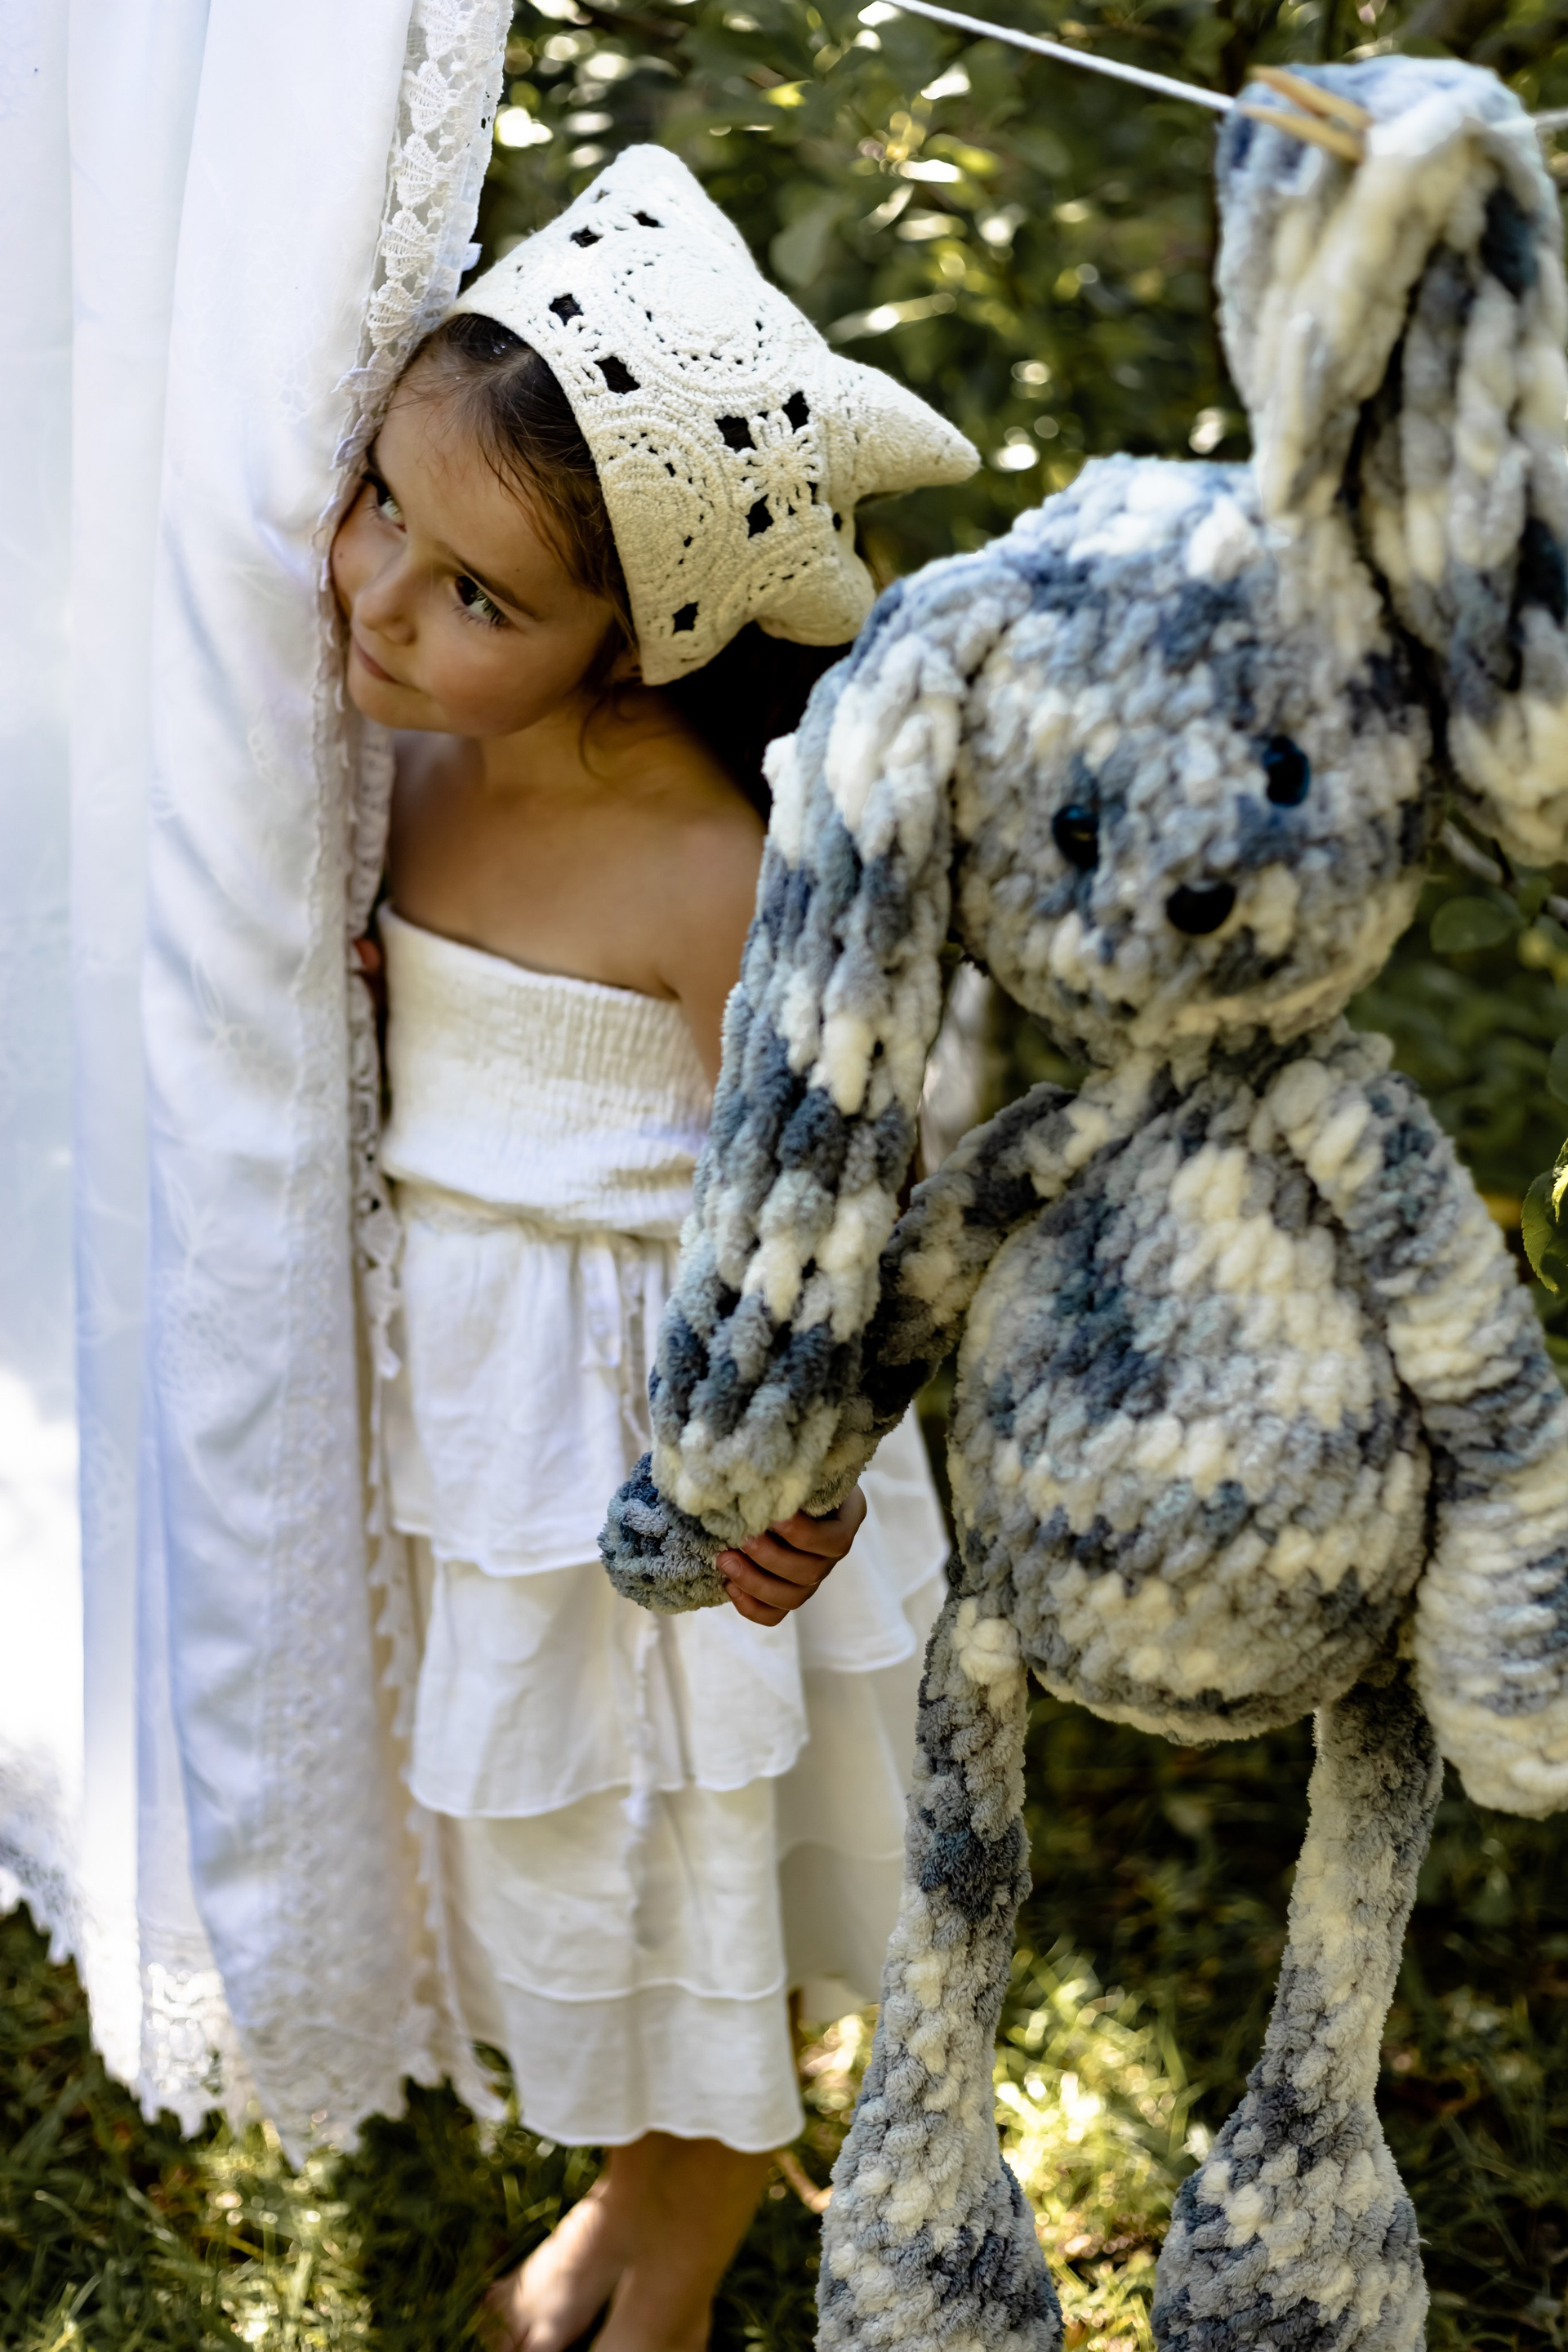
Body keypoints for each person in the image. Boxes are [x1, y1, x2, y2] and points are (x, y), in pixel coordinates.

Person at [329, 147, 977, 2352]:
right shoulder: (400, 753)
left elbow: (843, 1187)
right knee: (563, 1843)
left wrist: (793, 1464)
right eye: (381, 501)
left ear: (639, 640)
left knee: (715, 1841)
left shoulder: (715, 866)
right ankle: (633, 2175)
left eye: (477, 591)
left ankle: (679, 2240)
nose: (381, 596)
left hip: (665, 1439)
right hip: (474, 1428)